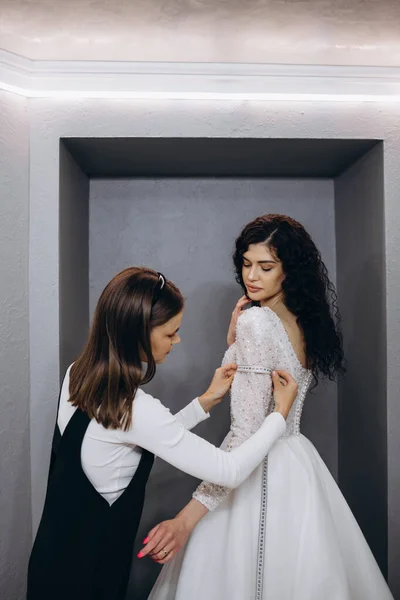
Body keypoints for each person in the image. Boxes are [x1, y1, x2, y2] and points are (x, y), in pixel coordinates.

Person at [145, 215, 394, 600]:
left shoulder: (256, 322)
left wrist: (185, 520)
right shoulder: (305, 322)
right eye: (246, 264)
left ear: (288, 271)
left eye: (266, 266)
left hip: (256, 471)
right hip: (297, 463)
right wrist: (234, 339)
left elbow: (245, 433)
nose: (252, 276)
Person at [26, 266, 298, 600]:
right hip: (90, 579)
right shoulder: (136, 408)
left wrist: (204, 402)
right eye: (170, 333)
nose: (177, 340)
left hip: (48, 566)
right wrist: (279, 415)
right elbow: (229, 470)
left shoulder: (78, 374)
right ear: (138, 333)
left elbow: (129, 439)